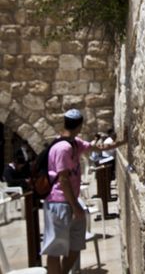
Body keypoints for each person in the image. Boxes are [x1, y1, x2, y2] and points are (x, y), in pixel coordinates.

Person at [41, 109, 126, 274]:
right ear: (79, 125)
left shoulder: (75, 143)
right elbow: (63, 179)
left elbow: (99, 148)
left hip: (71, 201)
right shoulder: (63, 148)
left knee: (76, 245)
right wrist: (75, 206)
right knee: (55, 249)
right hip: (58, 203)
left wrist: (122, 142)